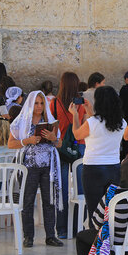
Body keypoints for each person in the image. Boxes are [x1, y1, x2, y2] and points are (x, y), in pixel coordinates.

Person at [8, 91, 64, 248]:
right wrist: (28, 140)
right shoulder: (21, 122)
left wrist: (54, 139)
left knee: (49, 200)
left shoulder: (50, 120)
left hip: (48, 165)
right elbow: (11, 144)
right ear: (30, 104)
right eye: (36, 103)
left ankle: (50, 235)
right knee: (28, 200)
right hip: (28, 165)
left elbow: (59, 144)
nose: (39, 107)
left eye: (42, 103)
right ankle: (28, 236)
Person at [70, 86, 126, 221]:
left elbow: (77, 134)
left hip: (93, 169)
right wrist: (89, 111)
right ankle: (108, 241)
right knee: (111, 211)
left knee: (94, 213)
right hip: (114, 168)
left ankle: (96, 241)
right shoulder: (122, 123)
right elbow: (102, 126)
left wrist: (75, 116)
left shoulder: (92, 122)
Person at [50, 71, 87, 238]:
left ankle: (63, 229)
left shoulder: (54, 104)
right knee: (80, 190)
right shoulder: (82, 103)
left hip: (61, 148)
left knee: (62, 189)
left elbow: (53, 127)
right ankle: (79, 226)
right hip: (79, 146)